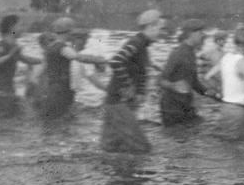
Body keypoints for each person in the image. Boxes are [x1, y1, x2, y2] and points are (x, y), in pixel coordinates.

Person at [101, 9, 166, 153]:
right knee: (142, 148)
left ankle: (108, 173)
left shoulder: (142, 46)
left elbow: (140, 72)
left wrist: (140, 92)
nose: (161, 33)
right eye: (160, 29)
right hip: (118, 102)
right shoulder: (136, 43)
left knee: (111, 147)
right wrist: (129, 86)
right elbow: (116, 61)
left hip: (117, 102)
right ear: (151, 26)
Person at [42, 17, 106, 120]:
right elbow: (79, 58)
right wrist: (99, 60)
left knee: (53, 123)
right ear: (69, 33)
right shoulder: (63, 48)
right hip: (61, 91)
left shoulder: (51, 47)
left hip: (52, 90)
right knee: (62, 121)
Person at [159, 19, 216, 127]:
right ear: (190, 34)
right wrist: (173, 85)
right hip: (172, 108)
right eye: (200, 32)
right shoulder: (177, 54)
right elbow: (160, 80)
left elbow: (194, 82)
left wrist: (209, 92)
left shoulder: (191, 53)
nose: (203, 35)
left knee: (199, 127)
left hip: (185, 105)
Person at [0, 15, 41, 117]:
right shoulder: (1, 45)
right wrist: (9, 55)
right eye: (20, 26)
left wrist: (45, 60)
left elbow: (25, 59)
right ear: (12, 28)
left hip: (7, 93)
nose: (23, 29)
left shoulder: (13, 46)